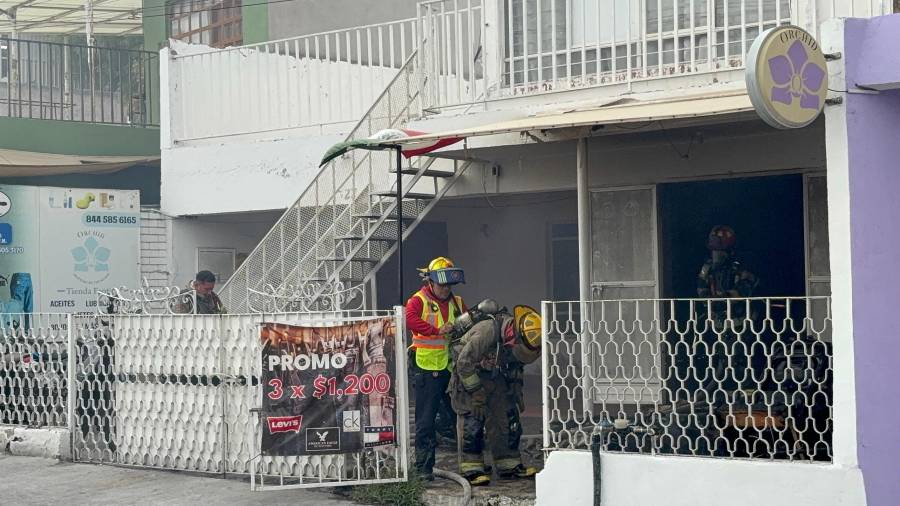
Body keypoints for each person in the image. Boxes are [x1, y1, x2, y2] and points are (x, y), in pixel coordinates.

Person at [448, 303, 541, 486]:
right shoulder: (487, 331)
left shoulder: (517, 338)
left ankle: (508, 464)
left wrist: (515, 387)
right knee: (473, 419)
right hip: (469, 375)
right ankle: (471, 468)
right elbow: (463, 363)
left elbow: (515, 363)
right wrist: (476, 392)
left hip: (493, 375)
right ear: (514, 337)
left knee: (506, 415)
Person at [405, 256, 466, 481]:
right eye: (441, 285)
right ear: (431, 281)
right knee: (425, 420)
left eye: (449, 285)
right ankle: (423, 469)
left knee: (458, 415)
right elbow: (409, 319)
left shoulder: (457, 302)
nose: (445, 289)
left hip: (450, 368)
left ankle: (469, 465)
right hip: (425, 367)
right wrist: (436, 330)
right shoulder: (418, 300)